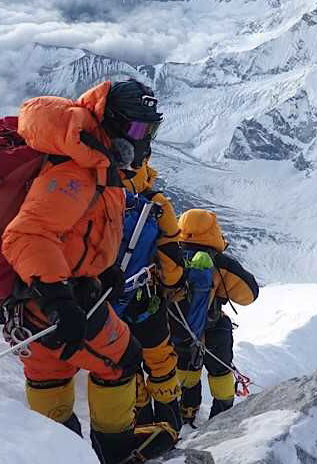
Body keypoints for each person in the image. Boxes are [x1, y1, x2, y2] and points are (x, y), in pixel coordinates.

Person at [1, 79, 173, 463]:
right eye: (137, 130)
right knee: (122, 360)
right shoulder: (78, 170)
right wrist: (60, 299)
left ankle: (59, 453)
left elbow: (84, 228)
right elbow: (26, 235)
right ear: (110, 123)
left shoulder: (95, 159)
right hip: (57, 296)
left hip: (31, 299)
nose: (143, 140)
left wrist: (103, 269)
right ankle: (114, 454)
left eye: (150, 130)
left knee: (49, 372)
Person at [109, 161, 187, 436]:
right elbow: (172, 264)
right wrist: (172, 284)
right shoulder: (154, 202)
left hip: (106, 306)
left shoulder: (97, 190)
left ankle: (140, 425)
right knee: (160, 360)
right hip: (145, 300)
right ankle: (170, 425)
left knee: (125, 365)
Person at [169, 209, 260, 425]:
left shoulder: (169, 256)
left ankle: (187, 411)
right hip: (214, 328)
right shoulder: (220, 263)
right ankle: (222, 418)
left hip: (178, 328)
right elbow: (250, 294)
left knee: (186, 368)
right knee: (221, 373)